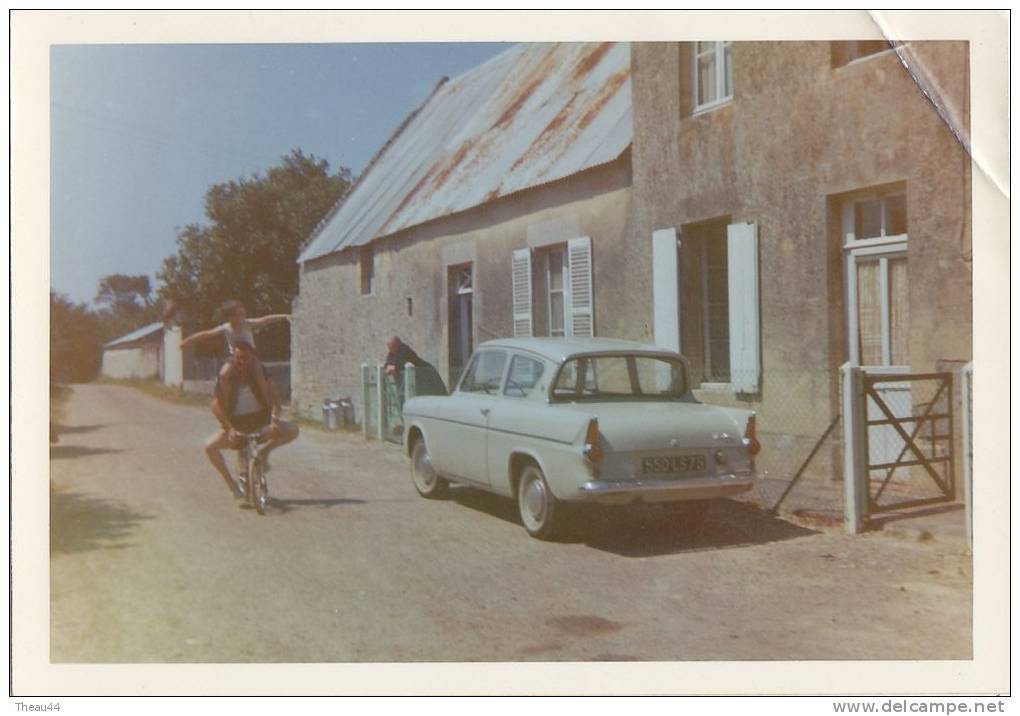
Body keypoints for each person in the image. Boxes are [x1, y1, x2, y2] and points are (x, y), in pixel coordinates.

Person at [204, 340, 298, 498]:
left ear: (253, 358)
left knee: (292, 430)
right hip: (237, 426)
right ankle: (232, 485)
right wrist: (229, 428)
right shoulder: (227, 378)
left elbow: (276, 401)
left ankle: (264, 454)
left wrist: (274, 422)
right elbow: (216, 406)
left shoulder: (260, 375)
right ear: (233, 359)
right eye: (238, 358)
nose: (242, 362)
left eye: (245, 358)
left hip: (261, 424)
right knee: (209, 447)